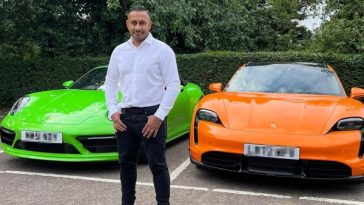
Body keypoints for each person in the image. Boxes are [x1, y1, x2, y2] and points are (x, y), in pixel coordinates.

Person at [104, 5, 180, 205]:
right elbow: (110, 84)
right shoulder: (119, 52)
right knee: (126, 165)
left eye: (142, 23)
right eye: (134, 23)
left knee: (158, 165)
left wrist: (159, 116)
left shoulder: (163, 50)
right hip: (126, 118)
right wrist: (113, 112)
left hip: (151, 117)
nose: (138, 27)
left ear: (150, 24)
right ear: (127, 24)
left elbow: (173, 85)